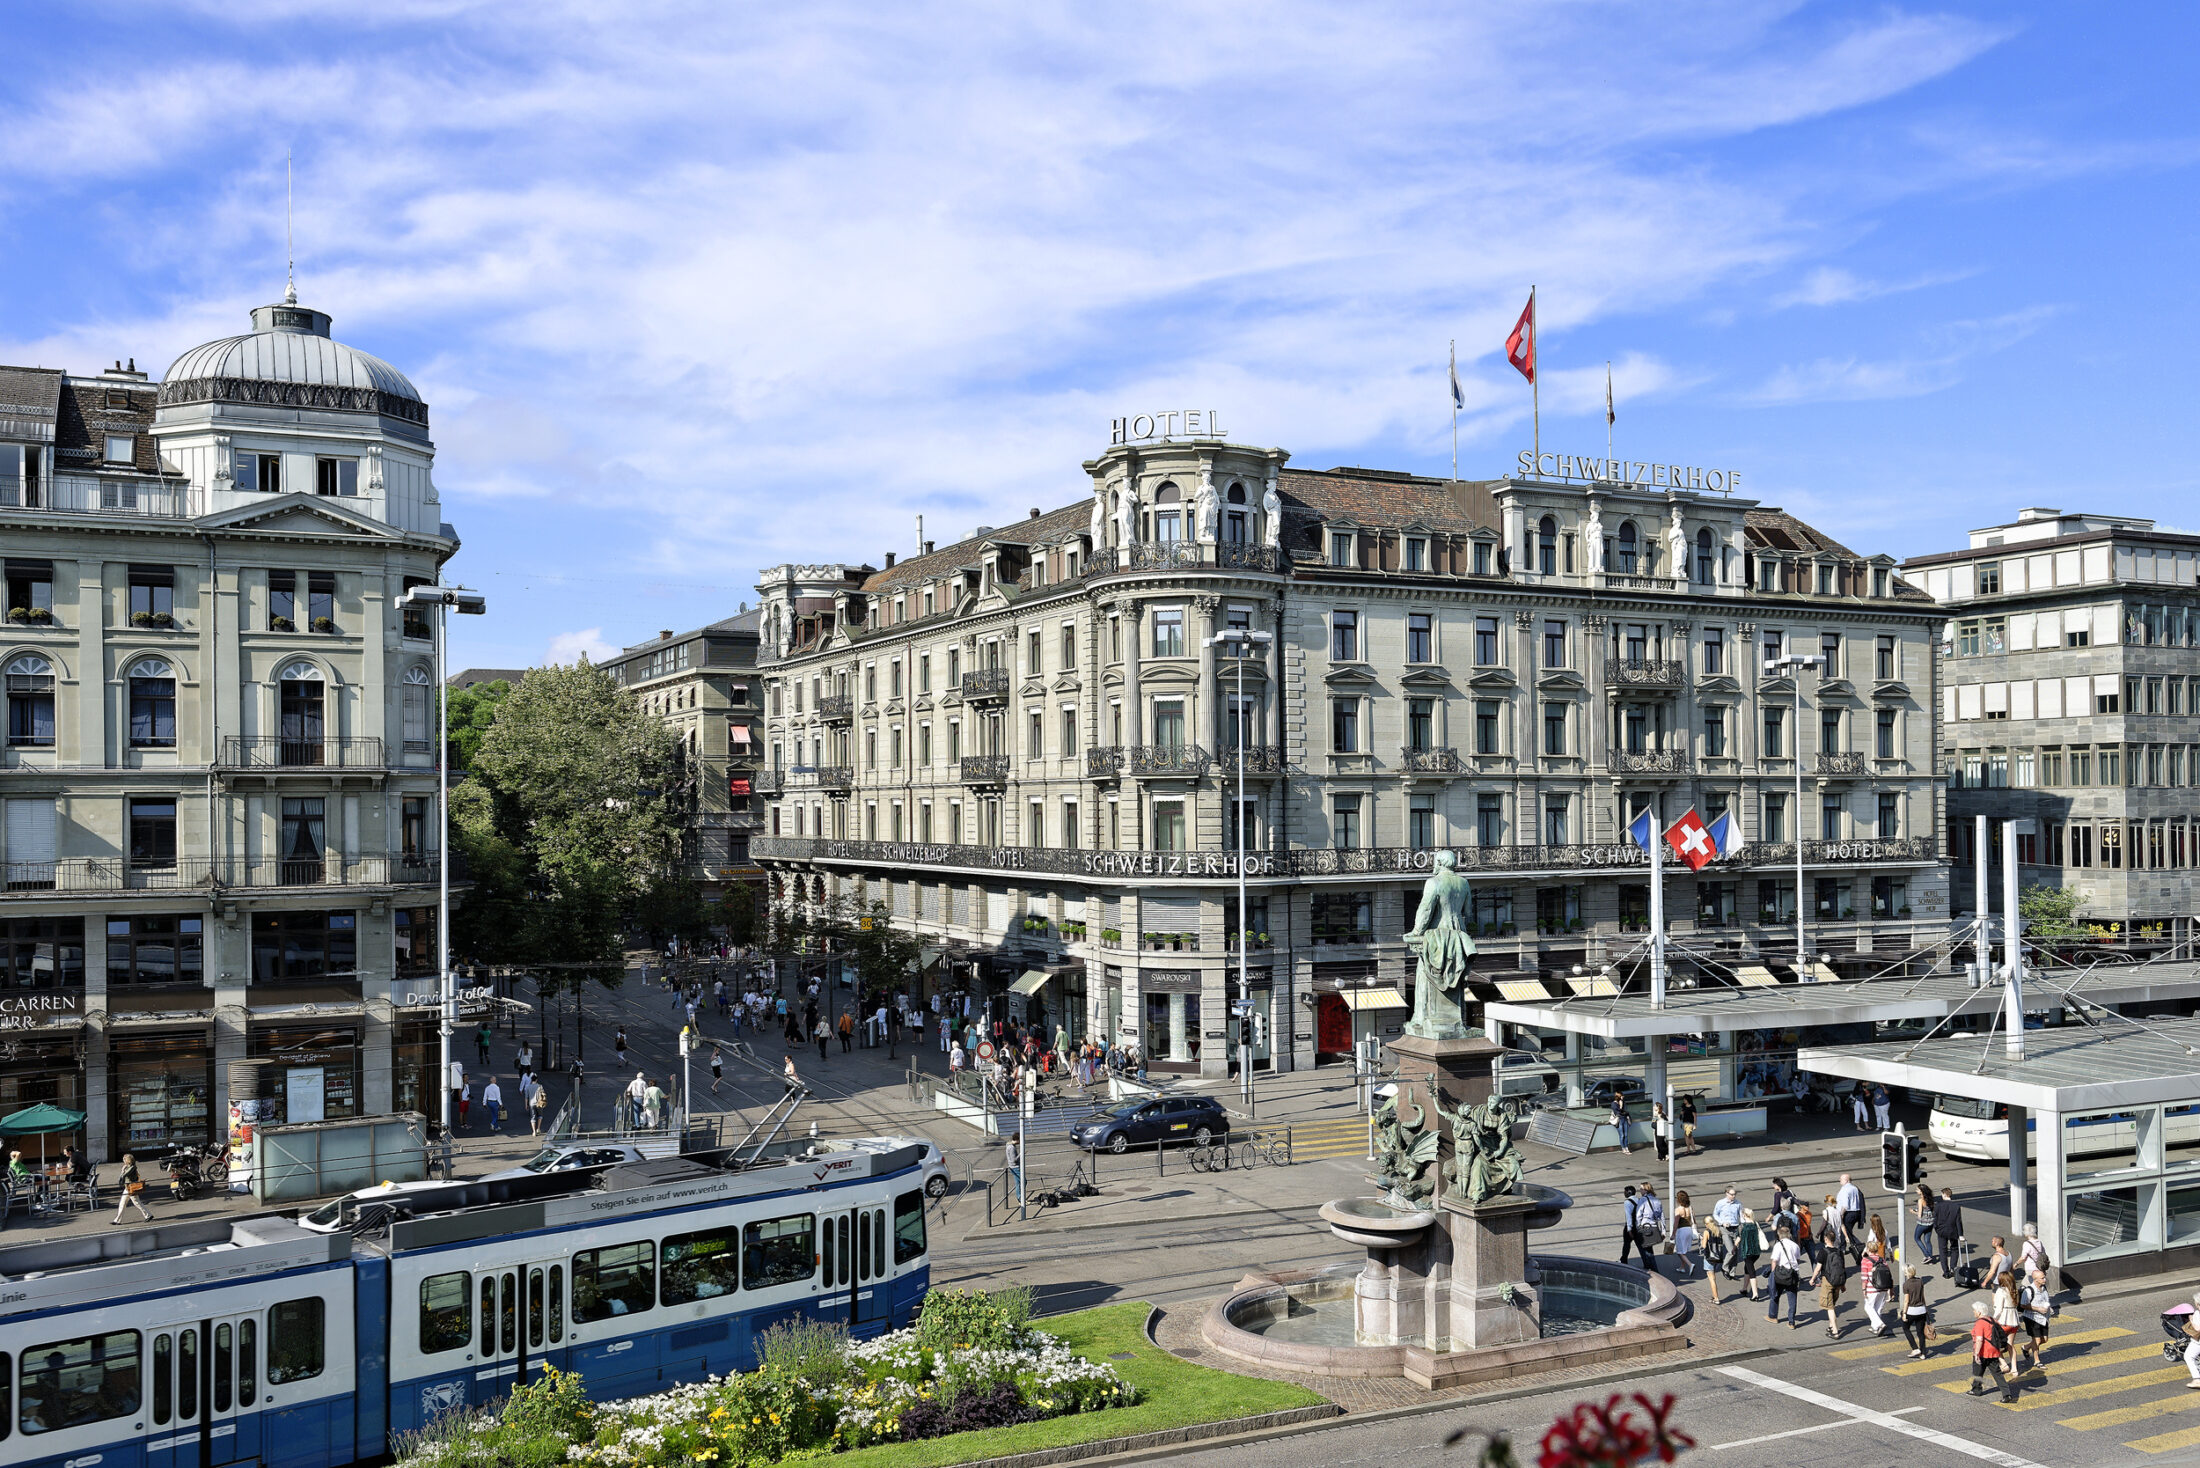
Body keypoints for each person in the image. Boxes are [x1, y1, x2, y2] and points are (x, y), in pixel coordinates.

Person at [1970, 1299, 2018, 1402]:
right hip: (1994, 1351)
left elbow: (1979, 1339)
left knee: (1977, 1371)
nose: (1973, 1312)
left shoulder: (1979, 1323)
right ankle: (2007, 1394)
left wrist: (1977, 1353)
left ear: (1979, 1312)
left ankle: (1976, 1390)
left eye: (1974, 1310)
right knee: (1997, 1374)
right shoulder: (1992, 1320)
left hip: (1983, 1352)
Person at [1813, 1211, 1849, 1337]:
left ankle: (1835, 1331)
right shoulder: (1839, 1252)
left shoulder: (1823, 1252)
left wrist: (1812, 1279)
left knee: (1830, 1307)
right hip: (1838, 1281)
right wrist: (1843, 1284)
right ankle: (1830, 1326)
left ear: (1826, 1239)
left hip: (1828, 1281)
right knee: (1832, 1304)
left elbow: (1818, 1268)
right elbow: (1843, 1268)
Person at [1766, 1225, 1804, 1327]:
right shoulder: (1795, 1245)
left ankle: (1773, 1316)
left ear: (1779, 1235)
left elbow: (1774, 1261)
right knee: (1792, 1298)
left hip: (1780, 1273)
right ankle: (1791, 1322)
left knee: (1775, 1294)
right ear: (1789, 1235)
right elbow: (1798, 1260)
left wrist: (1773, 1274)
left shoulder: (1778, 1245)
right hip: (1792, 1274)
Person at [2018, 1266, 2052, 1375]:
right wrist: (2038, 1309)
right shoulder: (2028, 1291)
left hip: (2043, 1317)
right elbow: (2023, 1305)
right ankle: (2037, 1361)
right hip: (2032, 1318)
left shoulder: (2044, 1288)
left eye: (2044, 1277)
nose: (2044, 1280)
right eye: (2042, 1278)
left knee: (2045, 1339)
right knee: (2036, 1340)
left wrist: (2047, 1308)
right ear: (2035, 1279)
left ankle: (2026, 1347)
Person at [1901, 1258, 1932, 1358]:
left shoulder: (1906, 1285)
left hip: (1911, 1310)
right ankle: (1923, 1353)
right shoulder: (1920, 1281)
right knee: (1920, 1332)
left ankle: (1915, 1348)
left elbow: (1906, 1301)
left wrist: (1904, 1313)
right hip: (1922, 1309)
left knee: (1905, 1328)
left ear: (1907, 1273)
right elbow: (1922, 1295)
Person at [1862, 1243, 1894, 1336]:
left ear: (1868, 1249)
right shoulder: (1882, 1259)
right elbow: (1889, 1274)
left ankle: (1880, 1324)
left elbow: (1864, 1277)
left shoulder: (1865, 1260)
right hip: (1883, 1287)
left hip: (1872, 1288)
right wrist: (1891, 1290)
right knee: (1878, 1308)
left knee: (1868, 1307)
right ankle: (1875, 1328)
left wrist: (1864, 1290)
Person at [1934, 1187, 1965, 1279]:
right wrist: (1960, 1234)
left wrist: (1937, 1229)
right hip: (1953, 1230)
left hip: (1941, 1231)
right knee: (1954, 1249)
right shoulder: (1956, 1206)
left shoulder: (1938, 1205)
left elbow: (1935, 1219)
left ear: (1944, 1194)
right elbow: (1958, 1221)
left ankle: (1945, 1271)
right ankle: (1952, 1267)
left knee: (1942, 1250)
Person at [112, 1153, 152, 1224]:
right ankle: (117, 1220)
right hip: (127, 1188)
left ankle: (148, 1215)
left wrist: (122, 1170)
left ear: (128, 1160)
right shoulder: (128, 1166)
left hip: (131, 1188)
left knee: (137, 1203)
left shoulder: (132, 1167)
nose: (123, 1161)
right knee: (122, 1203)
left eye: (124, 1159)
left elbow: (124, 1175)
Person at [1735, 1208, 1764, 1301]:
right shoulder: (1755, 1224)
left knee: (1751, 1272)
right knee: (1746, 1268)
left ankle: (1755, 1294)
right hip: (1756, 1251)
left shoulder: (1742, 1226)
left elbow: (1738, 1238)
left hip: (1747, 1252)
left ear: (1744, 1215)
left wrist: (1734, 1247)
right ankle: (1744, 1288)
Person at [1835, 1173, 1865, 1250]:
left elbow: (1845, 1205)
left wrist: (1841, 1214)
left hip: (1848, 1213)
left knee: (1846, 1231)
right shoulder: (1854, 1188)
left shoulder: (1845, 1189)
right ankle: (1843, 1248)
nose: (1839, 1180)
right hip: (1856, 1213)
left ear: (1847, 1180)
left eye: (1841, 1179)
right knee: (1846, 1231)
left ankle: (1858, 1247)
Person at [1914, 1180, 1939, 1264]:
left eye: (1917, 1190)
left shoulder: (1920, 1200)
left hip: (1922, 1223)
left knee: (1917, 1238)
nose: (1916, 1191)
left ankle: (1927, 1255)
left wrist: (1913, 1211)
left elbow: (1920, 1214)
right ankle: (1931, 1258)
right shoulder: (1930, 1199)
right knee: (1927, 1240)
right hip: (1930, 1223)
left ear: (1921, 1192)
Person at [2180, 1289, 2200, 1389]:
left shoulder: (2197, 1314)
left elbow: (2197, 1329)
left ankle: (2197, 1379)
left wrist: (2191, 1320)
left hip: (2198, 1342)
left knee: (2189, 1356)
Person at [1619, 1185, 1644, 1264]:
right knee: (1640, 1246)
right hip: (1638, 1226)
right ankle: (1646, 1262)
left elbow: (1628, 1216)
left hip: (1631, 1227)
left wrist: (1629, 1229)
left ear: (1628, 1192)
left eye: (1625, 1191)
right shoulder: (1639, 1200)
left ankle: (1624, 1261)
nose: (1624, 1193)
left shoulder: (1627, 1202)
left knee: (1626, 1244)